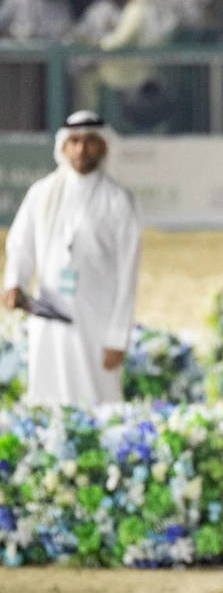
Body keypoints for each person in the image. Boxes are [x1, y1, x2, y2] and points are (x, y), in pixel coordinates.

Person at [2, 112, 142, 407]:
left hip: (97, 321)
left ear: (104, 146)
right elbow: (20, 244)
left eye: (90, 142)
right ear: (62, 147)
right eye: (74, 142)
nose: (81, 150)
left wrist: (118, 337)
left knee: (98, 400)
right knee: (45, 397)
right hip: (48, 314)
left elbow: (128, 275)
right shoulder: (42, 192)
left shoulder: (118, 199)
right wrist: (15, 281)